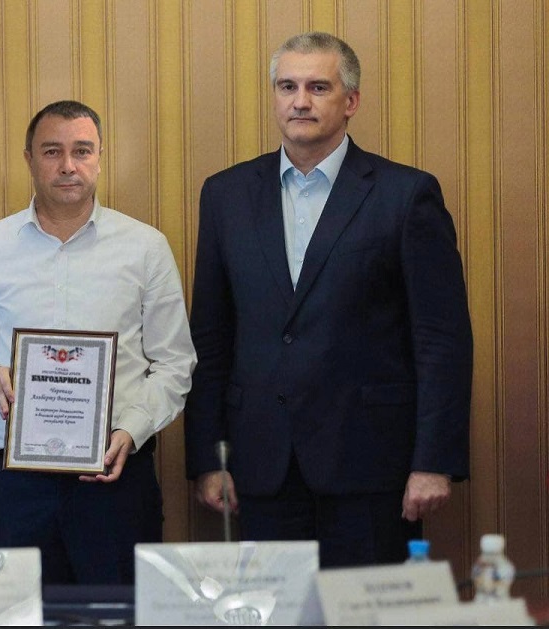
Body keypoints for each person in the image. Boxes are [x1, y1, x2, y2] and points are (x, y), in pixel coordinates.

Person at [184, 32, 472, 568]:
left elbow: (441, 340)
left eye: (318, 87)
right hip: (261, 465)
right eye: (287, 86)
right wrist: (208, 457)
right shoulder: (225, 194)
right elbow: (210, 337)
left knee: (366, 608)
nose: (300, 101)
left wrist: (433, 461)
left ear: (351, 101)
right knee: (277, 607)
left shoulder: (405, 195)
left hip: (372, 466)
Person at [0, 100, 196, 584]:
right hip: (20, 483)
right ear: (29, 159)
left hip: (116, 476)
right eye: (51, 151)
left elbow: (174, 363)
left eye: (82, 151)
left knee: (119, 613)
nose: (67, 165)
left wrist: (132, 431)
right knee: (25, 612)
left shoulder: (145, 247)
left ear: (100, 157)